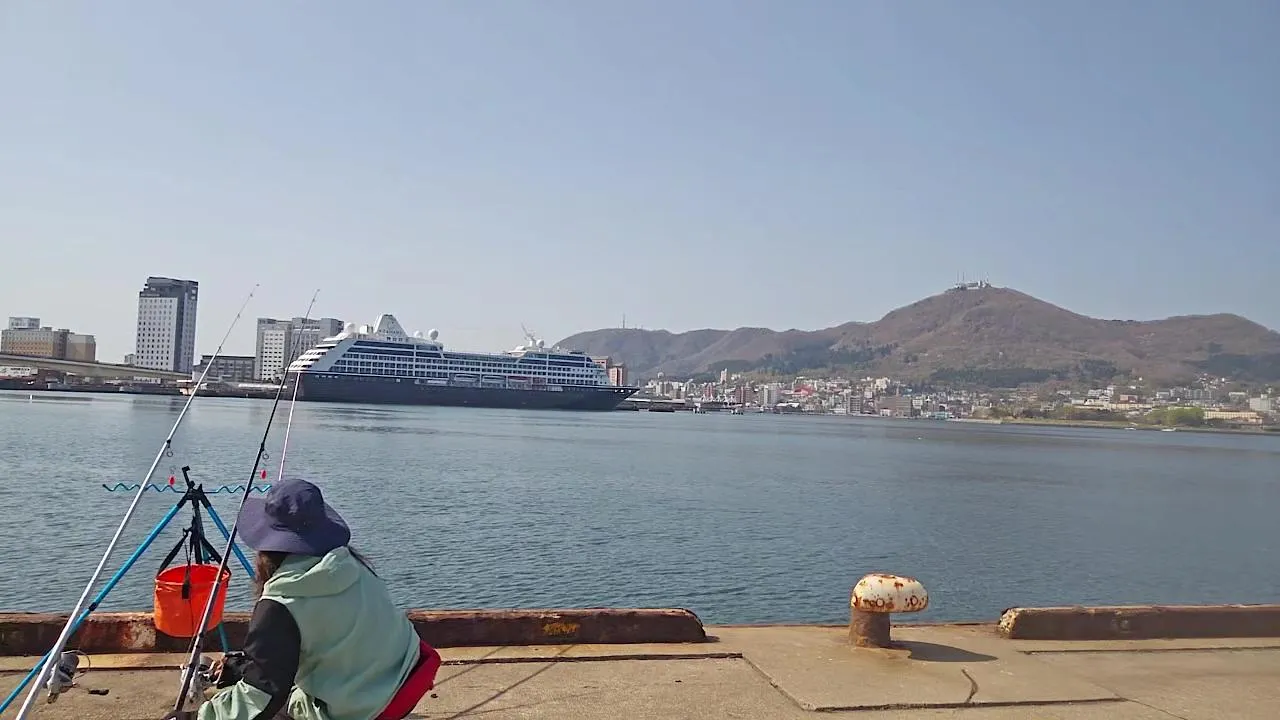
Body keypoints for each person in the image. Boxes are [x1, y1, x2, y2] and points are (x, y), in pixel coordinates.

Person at [196, 478, 440, 720]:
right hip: (407, 678)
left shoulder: (278, 604)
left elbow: (261, 697)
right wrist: (242, 668)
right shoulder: (353, 565)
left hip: (366, 710)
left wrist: (200, 716)